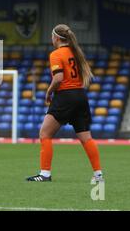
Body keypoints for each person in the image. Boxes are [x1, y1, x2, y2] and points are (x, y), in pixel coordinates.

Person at [26, 24, 103, 183]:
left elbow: (59, 78)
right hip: (81, 95)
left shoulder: (56, 54)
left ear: (56, 38)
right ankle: (98, 174)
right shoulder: (76, 52)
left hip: (65, 96)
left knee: (45, 134)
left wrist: (49, 91)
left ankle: (45, 174)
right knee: (86, 138)